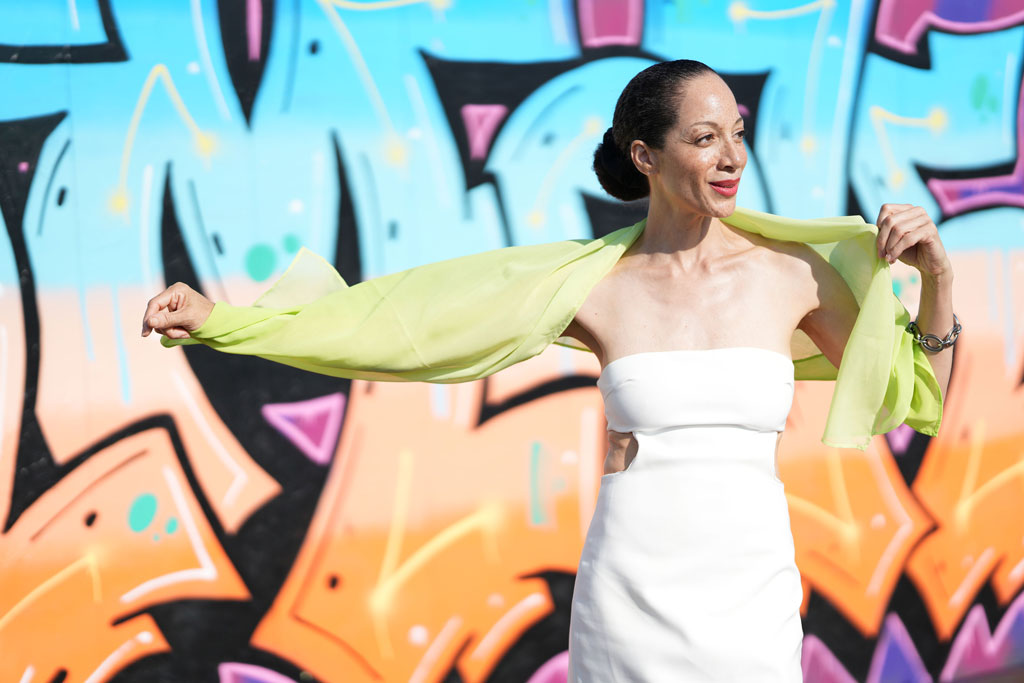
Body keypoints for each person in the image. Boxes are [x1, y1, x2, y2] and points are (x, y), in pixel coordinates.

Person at [142, 60, 955, 681]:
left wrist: (938, 279)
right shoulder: (593, 283)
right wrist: (226, 323)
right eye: (705, 138)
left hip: (752, 593)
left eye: (736, 132)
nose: (730, 156)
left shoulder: (794, 276)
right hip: (630, 594)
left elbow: (912, 401)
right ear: (645, 155)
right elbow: (408, 324)